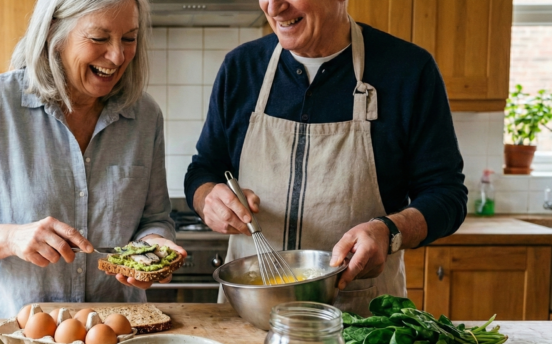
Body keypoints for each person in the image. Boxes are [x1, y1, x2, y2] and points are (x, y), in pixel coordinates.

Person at [185, 0, 467, 316]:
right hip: (250, 314)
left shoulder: (408, 70)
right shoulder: (241, 68)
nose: (273, 6)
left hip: (361, 323)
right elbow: (204, 168)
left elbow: (447, 194)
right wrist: (207, 198)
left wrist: (388, 232)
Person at [0, 0, 184, 318]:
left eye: (129, 38)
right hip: (9, 335)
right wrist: (11, 238)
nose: (117, 56)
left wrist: (156, 246)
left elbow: (155, 219)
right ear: (53, 34)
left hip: (115, 336)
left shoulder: (145, 116)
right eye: (99, 38)